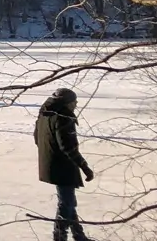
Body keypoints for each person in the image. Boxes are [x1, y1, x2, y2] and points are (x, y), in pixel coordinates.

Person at [36, 88, 94, 241]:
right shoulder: (63, 116)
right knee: (66, 203)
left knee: (68, 201)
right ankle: (59, 237)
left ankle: (78, 235)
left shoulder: (45, 112)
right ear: (68, 103)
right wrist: (84, 166)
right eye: (74, 102)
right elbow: (68, 147)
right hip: (63, 166)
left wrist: (49, 154)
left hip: (50, 164)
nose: (76, 104)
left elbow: (37, 138)